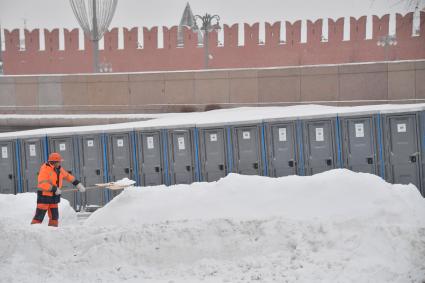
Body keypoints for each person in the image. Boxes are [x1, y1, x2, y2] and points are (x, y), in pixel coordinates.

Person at [31, 152, 86, 227]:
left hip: (54, 196)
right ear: (54, 162)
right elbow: (42, 184)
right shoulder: (45, 169)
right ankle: (33, 231)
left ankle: (53, 232)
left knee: (54, 216)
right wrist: (54, 189)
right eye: (59, 161)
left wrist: (77, 184)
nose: (60, 163)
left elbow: (67, 176)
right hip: (44, 196)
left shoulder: (59, 169)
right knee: (39, 216)